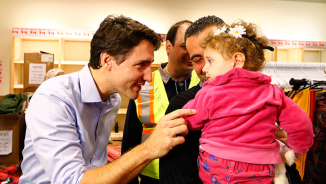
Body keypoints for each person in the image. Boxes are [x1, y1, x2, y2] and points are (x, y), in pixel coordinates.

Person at [19, 14, 196, 184]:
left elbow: (91, 164)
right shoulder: (54, 98)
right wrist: (149, 148)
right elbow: (72, 180)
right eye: (141, 64)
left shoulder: (112, 100)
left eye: (150, 65)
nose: (149, 77)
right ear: (107, 60)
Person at [182, 20, 314, 183]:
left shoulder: (210, 92)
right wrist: (296, 149)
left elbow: (188, 120)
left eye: (210, 61)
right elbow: (302, 125)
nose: (204, 69)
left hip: (217, 167)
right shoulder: (274, 93)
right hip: (260, 168)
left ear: (237, 60)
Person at [121, 20, 200, 184]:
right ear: (168, 47)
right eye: (185, 46)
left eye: (196, 48)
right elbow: (130, 141)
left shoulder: (205, 86)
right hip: (152, 178)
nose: (191, 54)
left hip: (193, 177)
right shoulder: (143, 83)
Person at [159, 15, 225, 184]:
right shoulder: (183, 106)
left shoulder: (263, 95)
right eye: (197, 59)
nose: (206, 66)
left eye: (213, 55)